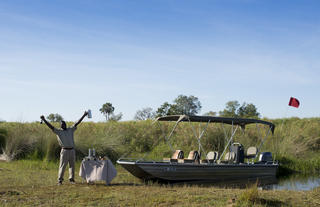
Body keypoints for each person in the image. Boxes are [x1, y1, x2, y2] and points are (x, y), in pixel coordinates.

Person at [40, 111, 88, 185]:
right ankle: (60, 180)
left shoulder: (70, 129)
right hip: (64, 151)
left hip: (72, 150)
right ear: (60, 126)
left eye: (64, 124)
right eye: (62, 124)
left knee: (72, 165)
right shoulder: (58, 132)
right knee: (62, 166)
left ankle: (71, 179)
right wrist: (44, 120)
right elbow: (51, 127)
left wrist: (84, 115)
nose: (64, 125)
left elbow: (77, 122)